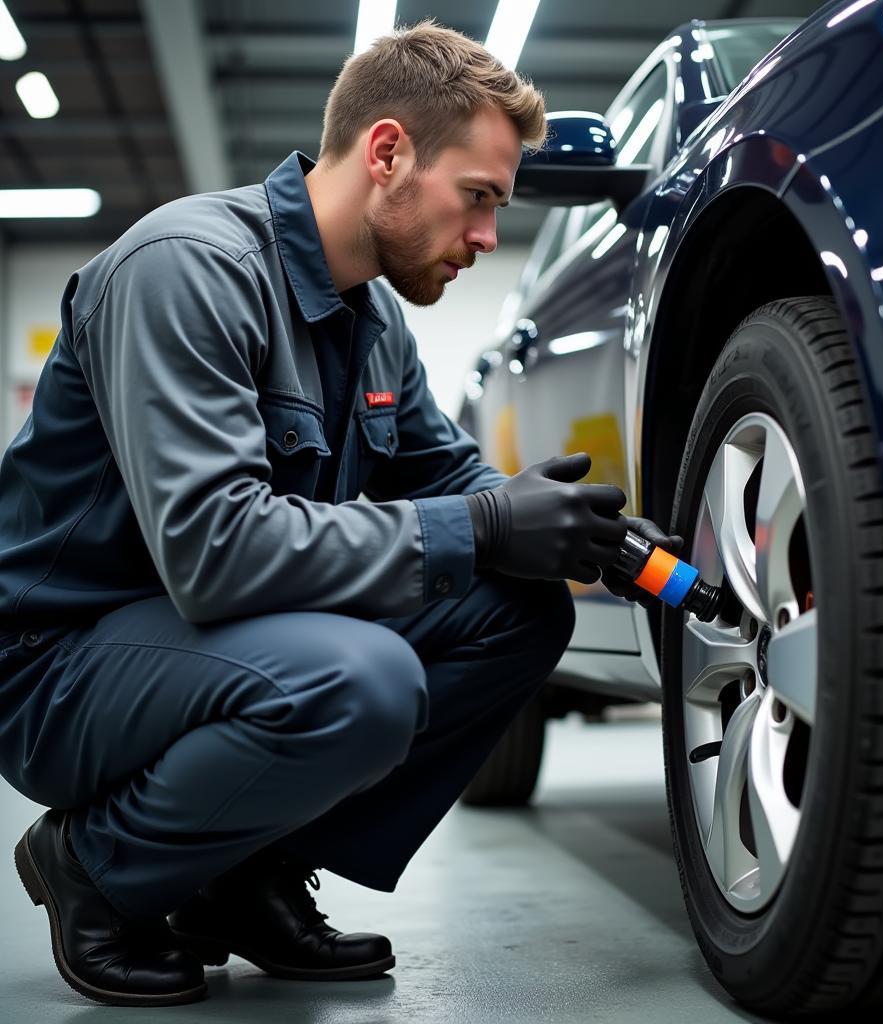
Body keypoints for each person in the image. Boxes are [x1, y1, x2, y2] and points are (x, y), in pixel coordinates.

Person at [0, 20, 683, 1008]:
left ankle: (244, 879)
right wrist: (484, 530)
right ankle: (93, 866)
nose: (489, 238)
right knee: (362, 682)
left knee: (519, 612)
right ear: (388, 153)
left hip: (199, 641)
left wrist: (576, 529)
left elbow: (445, 477)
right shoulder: (188, 269)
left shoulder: (371, 323)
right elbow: (215, 552)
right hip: (58, 668)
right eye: (480, 198)